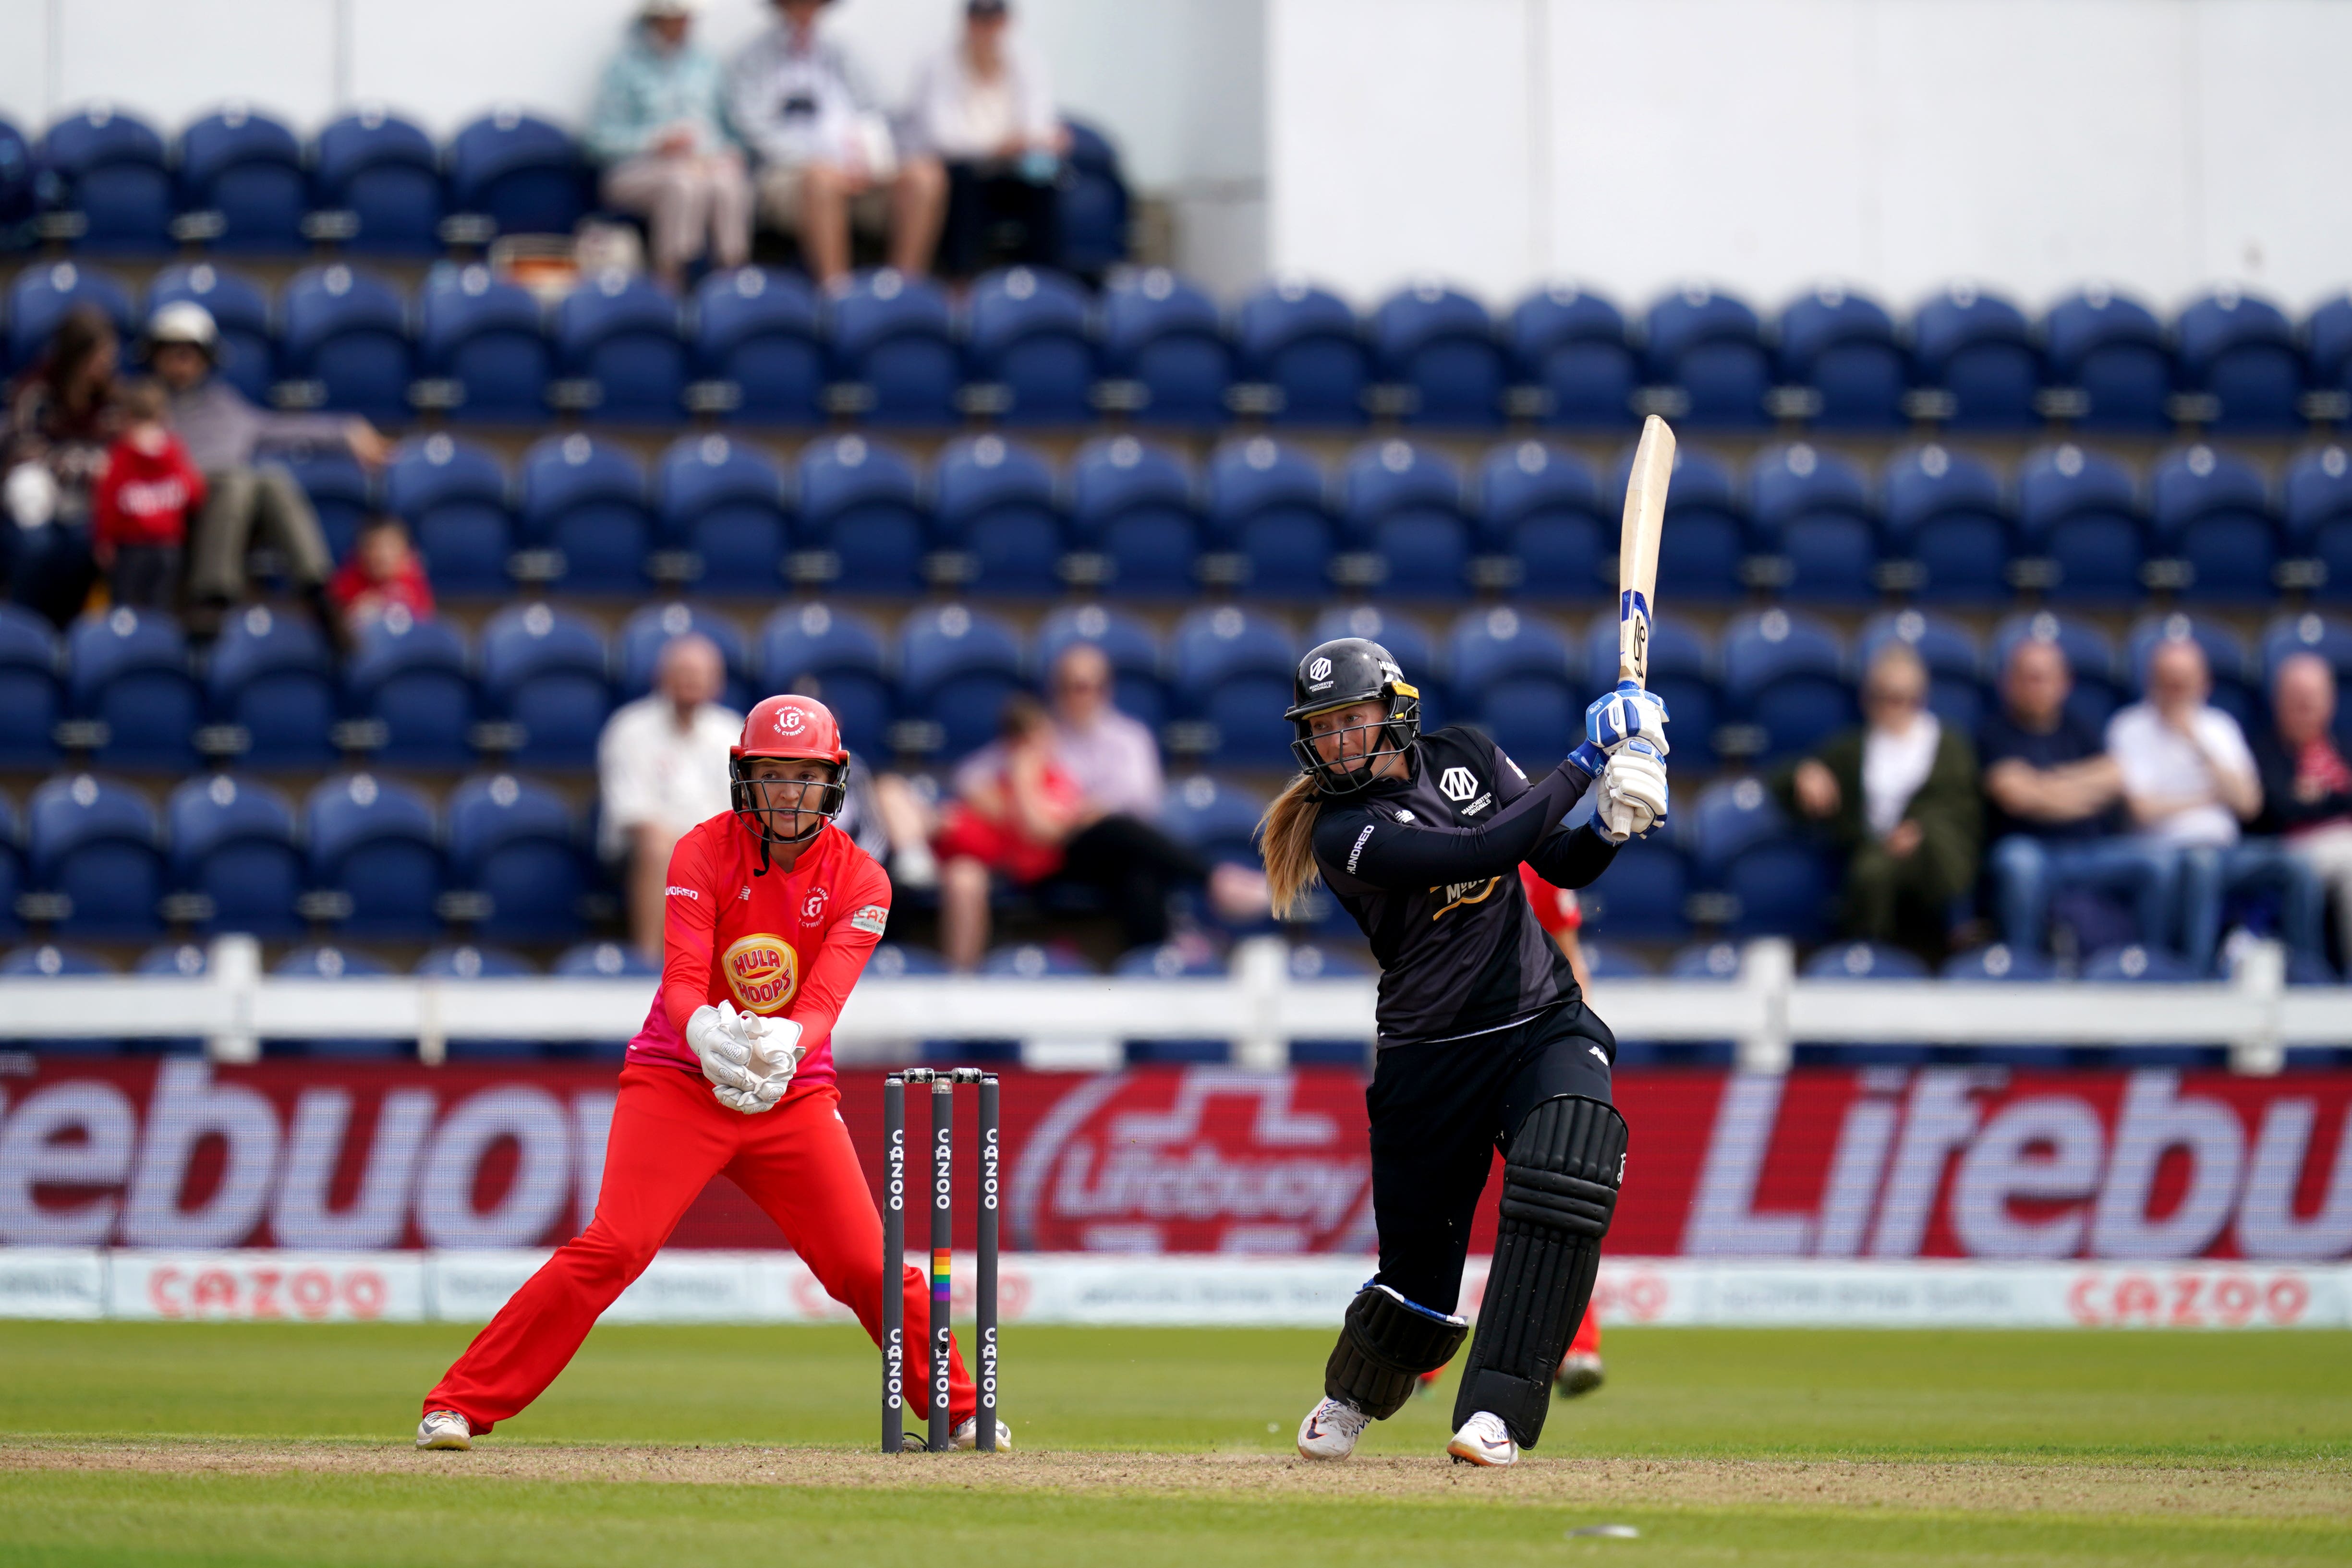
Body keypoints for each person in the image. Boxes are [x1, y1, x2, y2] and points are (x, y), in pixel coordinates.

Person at [416, 693, 998, 1454]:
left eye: (805, 776)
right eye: (772, 775)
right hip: (677, 1079)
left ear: (836, 780)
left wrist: (783, 1045)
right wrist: (703, 1034)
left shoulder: (865, 881)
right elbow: (685, 977)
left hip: (789, 1093)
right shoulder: (699, 850)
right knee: (614, 1246)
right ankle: (456, 1404)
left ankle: (960, 1410)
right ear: (742, 776)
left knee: (868, 1263)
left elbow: (823, 1001)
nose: (788, 794)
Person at [1260, 639, 1665, 1467]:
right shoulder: (1346, 833)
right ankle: (1353, 1395)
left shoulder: (1467, 755)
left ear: (1393, 711)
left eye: (1351, 720)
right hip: (1429, 1059)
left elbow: (1556, 857)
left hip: (1538, 1018)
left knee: (1568, 1166)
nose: (1337, 740)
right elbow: (1478, 853)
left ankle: (1497, 1414)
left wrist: (1619, 815)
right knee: (1417, 1287)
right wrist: (1589, 756)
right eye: (1322, 727)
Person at [144, 302, 391, 640]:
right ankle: (211, 597)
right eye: (172, 353)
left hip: (232, 514)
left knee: (273, 478)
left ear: (206, 359)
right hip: (174, 509)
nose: (181, 364)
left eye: (190, 354)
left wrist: (345, 433)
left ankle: (319, 593)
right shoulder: (145, 405)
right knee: (238, 480)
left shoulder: (224, 405)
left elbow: (278, 429)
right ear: (155, 356)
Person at [2112, 636, 2314, 971]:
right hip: (2163, 850)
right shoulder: (2130, 727)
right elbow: (2142, 810)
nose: (2176, 689)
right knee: (2202, 865)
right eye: (2168, 681)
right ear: (2152, 682)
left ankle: (2308, 973)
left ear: (2203, 683)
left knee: (2299, 866)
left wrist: (2196, 742)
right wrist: (2207, 798)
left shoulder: (2220, 727)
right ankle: (2196, 975)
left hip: (2229, 850)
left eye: (2184, 681)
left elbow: (2249, 804)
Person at [1777, 643, 1978, 963]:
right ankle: (1870, 957)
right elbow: (1782, 780)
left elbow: (1963, 807)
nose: (1892, 708)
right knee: (1872, 873)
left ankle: (1954, 948)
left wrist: (1920, 828)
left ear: (1920, 699)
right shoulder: (1852, 749)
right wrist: (1806, 774)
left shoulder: (1950, 746)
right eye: (1882, 697)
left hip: (1933, 860)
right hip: (1872, 858)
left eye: (1902, 699)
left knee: (1935, 861)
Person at [728, 0, 947, 284]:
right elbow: (753, 129)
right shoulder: (751, 59)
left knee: (926, 176)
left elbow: (875, 112)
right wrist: (819, 161)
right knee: (822, 179)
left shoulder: (844, 52)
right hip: (788, 172)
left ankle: (903, 288)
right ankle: (837, 294)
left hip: (856, 167)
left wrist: (870, 160)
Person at [1979, 636, 2170, 957]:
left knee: (2157, 863)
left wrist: (2043, 785)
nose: (2036, 686)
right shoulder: (1994, 732)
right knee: (2019, 865)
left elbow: (2116, 776)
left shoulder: (2080, 728)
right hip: (2032, 850)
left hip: (2089, 852)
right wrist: (2082, 788)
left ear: (2064, 683)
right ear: (2008, 684)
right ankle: (2024, 966)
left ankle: (2152, 966)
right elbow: (2014, 795)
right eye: (2027, 678)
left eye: (2044, 678)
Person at [587, 0, 751, 291]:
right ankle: (670, 280)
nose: (682, 24)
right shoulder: (623, 66)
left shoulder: (707, 62)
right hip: (640, 170)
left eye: (686, 17)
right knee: (682, 183)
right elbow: (599, 139)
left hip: (705, 164)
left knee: (728, 183)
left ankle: (731, 277)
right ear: (655, 19)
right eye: (674, 17)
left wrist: (728, 152)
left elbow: (731, 127)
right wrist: (655, 142)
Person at [597, 634, 744, 959]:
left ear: (717, 683)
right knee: (660, 848)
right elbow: (633, 816)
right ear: (661, 677)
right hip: (644, 850)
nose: (691, 680)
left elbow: (742, 811)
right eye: (682, 671)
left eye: (700, 674)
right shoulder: (630, 728)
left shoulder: (731, 731)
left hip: (716, 844)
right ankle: (652, 964)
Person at [907, 0, 1067, 277]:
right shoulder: (939, 63)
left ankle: (1044, 277)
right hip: (962, 169)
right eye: (979, 20)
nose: (986, 29)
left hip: (1013, 169)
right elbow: (943, 138)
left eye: (993, 20)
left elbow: (1039, 125)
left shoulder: (1027, 62)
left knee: (1047, 178)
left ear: (1005, 22)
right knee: (964, 180)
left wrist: (1039, 141)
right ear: (967, 22)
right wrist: (999, 146)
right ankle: (961, 280)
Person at [934, 694, 1084, 969]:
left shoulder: (1058, 779)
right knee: (962, 877)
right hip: (980, 856)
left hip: (1040, 872)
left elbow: (1041, 830)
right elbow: (966, 790)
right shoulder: (992, 775)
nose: (1029, 745)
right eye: (1021, 738)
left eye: (1036, 735)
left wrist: (1024, 782)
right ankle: (959, 982)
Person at [1, 305, 120, 625]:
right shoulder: (35, 391)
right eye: (102, 354)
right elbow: (26, 449)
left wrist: (75, 463)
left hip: (83, 503)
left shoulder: (110, 400)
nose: (109, 362)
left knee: (84, 541)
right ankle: (22, 627)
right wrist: (83, 464)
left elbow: (115, 456)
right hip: (32, 505)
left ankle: (67, 632)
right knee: (37, 545)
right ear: (78, 356)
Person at [2255, 653, 2352, 974]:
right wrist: (2337, 798)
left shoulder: (2342, 748)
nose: (2305, 708)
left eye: (2312, 700)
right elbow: (2279, 809)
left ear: (2330, 702)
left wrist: (2320, 796)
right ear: (2278, 702)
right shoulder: (2266, 750)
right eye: (2296, 700)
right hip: (2292, 850)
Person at [90, 378, 203, 611]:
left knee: (125, 610)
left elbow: (108, 502)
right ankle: (155, 646)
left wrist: (104, 540)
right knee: (159, 609)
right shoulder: (173, 450)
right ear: (163, 417)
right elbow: (194, 492)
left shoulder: (122, 454)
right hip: (169, 547)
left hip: (132, 548)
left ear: (127, 418)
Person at [327, 516, 434, 635]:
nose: (382, 555)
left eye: (390, 547)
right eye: (372, 547)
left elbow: (425, 622)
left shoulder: (413, 582)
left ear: (406, 553)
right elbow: (336, 626)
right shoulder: (346, 584)